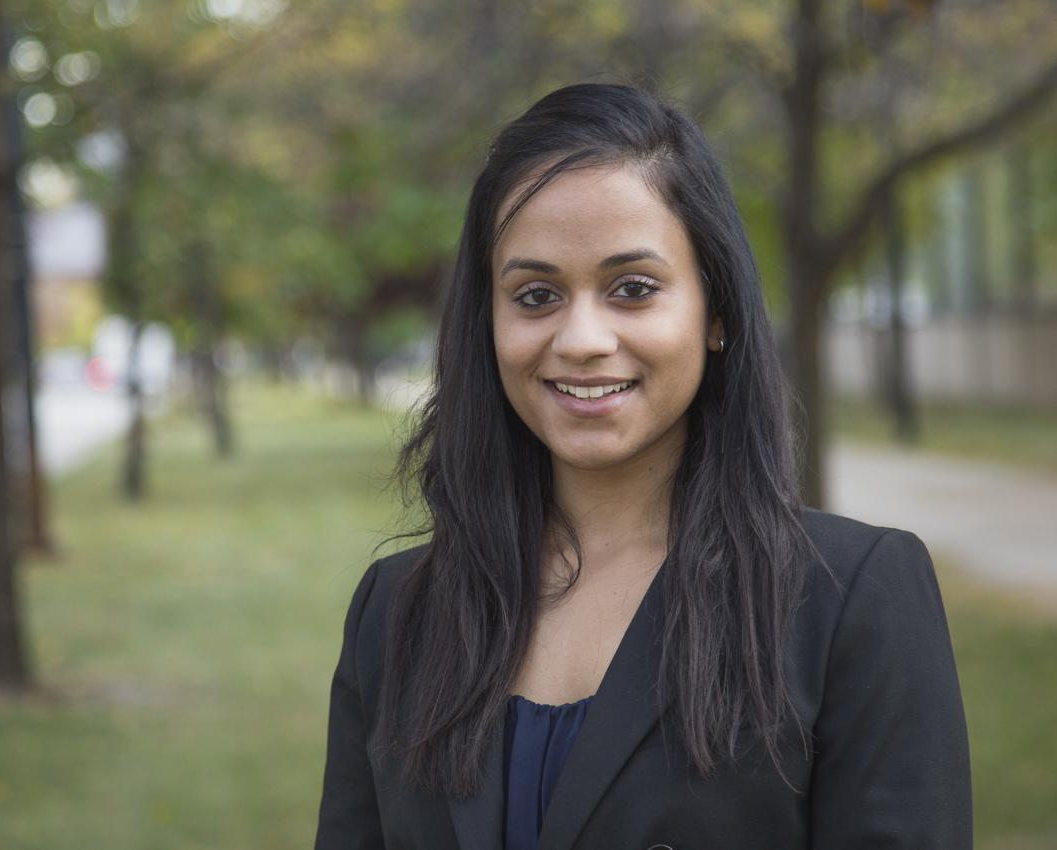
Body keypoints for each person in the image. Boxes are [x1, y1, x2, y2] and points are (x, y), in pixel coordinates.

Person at [313, 83, 971, 850]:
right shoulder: (396, 612)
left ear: (714, 313)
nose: (582, 338)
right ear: (486, 324)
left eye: (632, 288)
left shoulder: (848, 599)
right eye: (534, 295)